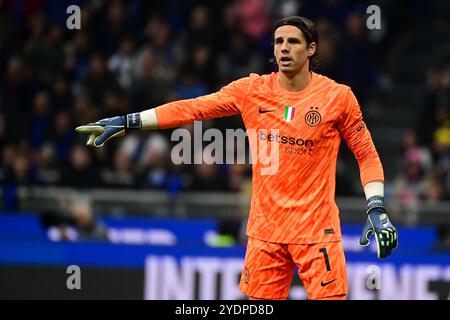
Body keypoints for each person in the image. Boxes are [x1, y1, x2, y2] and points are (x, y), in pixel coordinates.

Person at [76, 16, 398, 300]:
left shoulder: (337, 97)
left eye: (293, 42)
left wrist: (377, 207)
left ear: (311, 49)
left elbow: (366, 154)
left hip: (317, 232)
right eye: (278, 42)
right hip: (265, 233)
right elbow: (193, 108)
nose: (284, 48)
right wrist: (129, 120)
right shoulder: (251, 90)